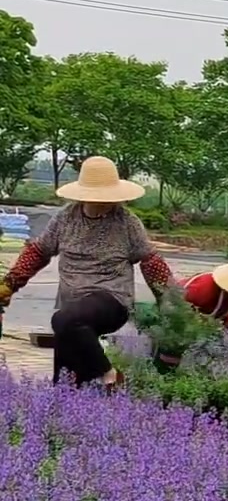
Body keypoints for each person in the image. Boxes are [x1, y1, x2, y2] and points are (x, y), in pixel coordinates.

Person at [0, 156, 173, 387]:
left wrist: (170, 301)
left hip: (111, 299)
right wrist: (10, 284)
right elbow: (39, 251)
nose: (104, 203)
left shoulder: (127, 223)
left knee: (63, 320)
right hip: (72, 307)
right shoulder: (64, 219)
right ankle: (66, 413)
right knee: (65, 381)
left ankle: (110, 376)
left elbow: (151, 261)